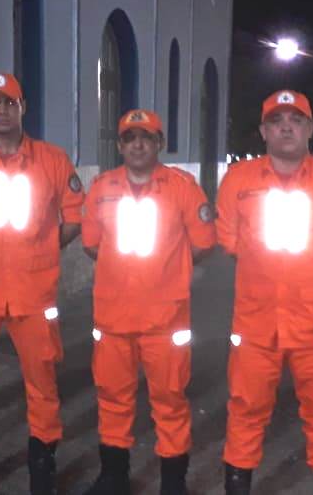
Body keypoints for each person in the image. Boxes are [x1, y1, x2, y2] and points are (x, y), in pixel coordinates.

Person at [217, 90, 313, 495]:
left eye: (296, 120)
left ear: (310, 129)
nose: (287, 126)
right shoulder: (239, 180)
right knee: (245, 412)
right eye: (278, 120)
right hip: (255, 324)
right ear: (264, 131)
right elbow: (230, 240)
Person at [0, 73, 84, 495]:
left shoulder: (53, 160)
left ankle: (42, 470)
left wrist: (41, 247)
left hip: (33, 291)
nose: (2, 111)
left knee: (42, 383)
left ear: (24, 107)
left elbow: (75, 216)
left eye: (10, 102)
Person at [80, 109, 216, 495]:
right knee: (112, 399)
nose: (137, 144)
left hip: (166, 320)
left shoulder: (182, 187)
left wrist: (169, 272)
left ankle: (173, 483)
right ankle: (113, 478)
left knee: (170, 401)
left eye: (146, 137)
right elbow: (92, 244)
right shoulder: (102, 187)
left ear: (159, 144)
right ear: (119, 146)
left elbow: (204, 244)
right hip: (112, 317)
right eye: (129, 138)